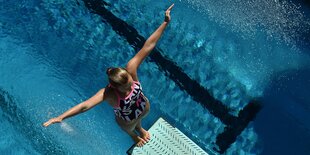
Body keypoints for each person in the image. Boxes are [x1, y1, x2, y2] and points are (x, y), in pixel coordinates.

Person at [43, 4, 174, 147]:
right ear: (115, 87)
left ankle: (140, 129)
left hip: (142, 109)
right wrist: (61, 117)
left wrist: (165, 22)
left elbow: (148, 45)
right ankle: (133, 135)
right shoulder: (108, 94)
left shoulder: (131, 68)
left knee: (138, 122)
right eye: (127, 87)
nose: (131, 87)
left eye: (131, 82)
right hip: (127, 123)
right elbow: (84, 106)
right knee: (131, 128)